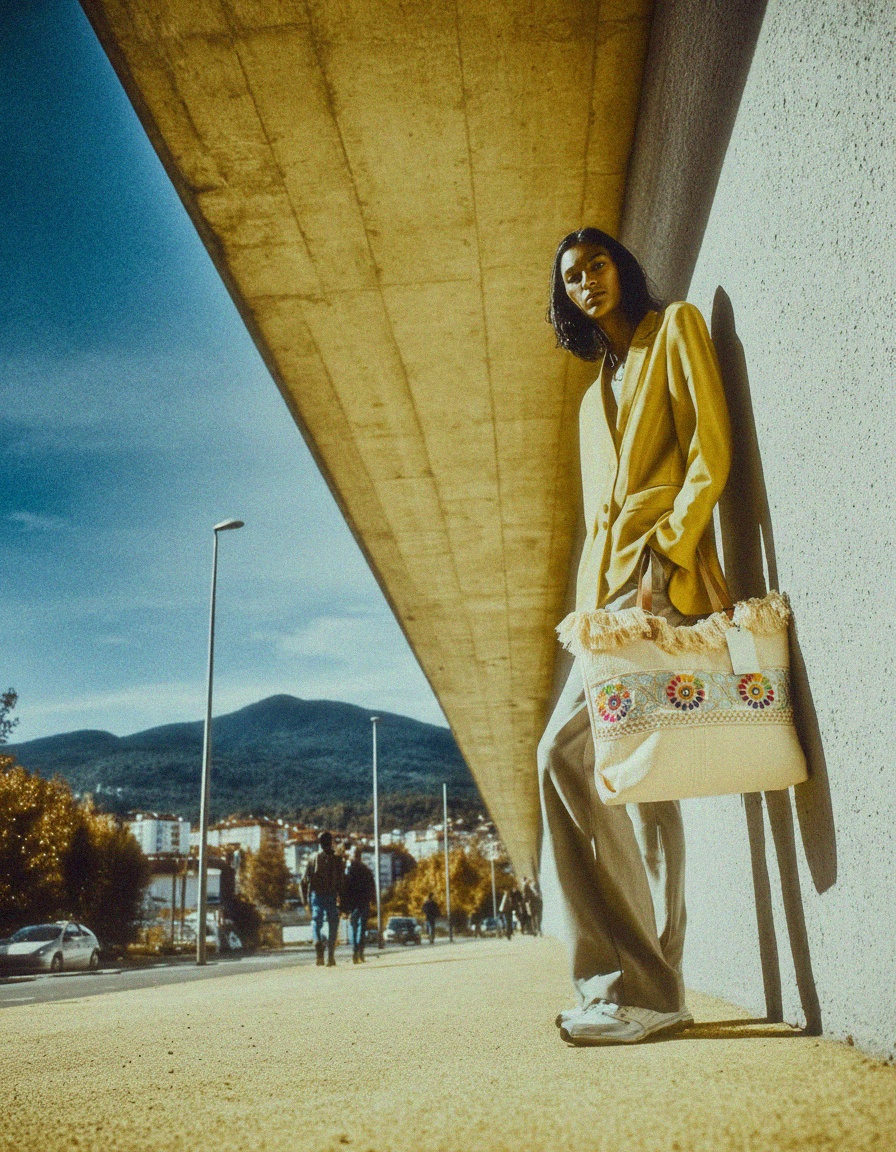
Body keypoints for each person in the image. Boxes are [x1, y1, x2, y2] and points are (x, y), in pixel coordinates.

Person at [539, 228, 731, 1046]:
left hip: (664, 586)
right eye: (573, 278)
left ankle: (632, 986)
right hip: (606, 605)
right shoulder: (590, 402)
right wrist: (587, 618)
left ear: (623, 267)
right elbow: (596, 520)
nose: (588, 283)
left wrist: (668, 552)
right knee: (641, 789)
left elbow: (709, 452)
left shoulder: (676, 328)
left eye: (597, 265)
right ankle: (661, 990)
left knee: (565, 758)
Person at [302, 831, 344, 967]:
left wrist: (304, 900)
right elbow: (342, 882)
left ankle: (318, 945)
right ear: (330, 842)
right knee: (333, 924)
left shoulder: (312, 858)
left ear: (319, 843)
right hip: (331, 895)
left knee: (316, 922)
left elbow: (303, 881)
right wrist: (342, 900)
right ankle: (330, 956)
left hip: (317, 895)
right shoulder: (337, 859)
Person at [342, 846, 376, 964]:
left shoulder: (348, 869)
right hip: (363, 902)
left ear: (352, 855)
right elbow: (372, 886)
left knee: (354, 927)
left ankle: (355, 951)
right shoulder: (366, 869)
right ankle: (360, 952)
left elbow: (344, 888)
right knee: (361, 928)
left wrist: (343, 905)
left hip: (352, 903)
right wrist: (372, 900)